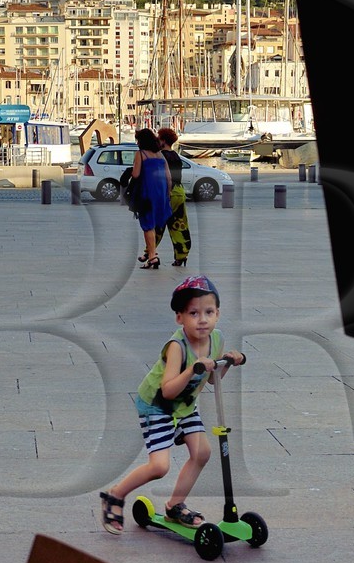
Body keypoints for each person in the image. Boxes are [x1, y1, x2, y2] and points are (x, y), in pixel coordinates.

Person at [98, 274, 247, 534]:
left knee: (202, 453)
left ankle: (175, 506)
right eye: (193, 313)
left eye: (208, 312)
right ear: (180, 317)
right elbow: (167, 390)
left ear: (218, 314)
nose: (202, 319)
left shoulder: (216, 339)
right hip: (157, 405)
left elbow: (212, 380)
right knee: (159, 467)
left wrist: (226, 362)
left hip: (185, 405)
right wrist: (191, 370)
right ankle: (115, 494)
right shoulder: (177, 346)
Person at [130, 127, 173, 269]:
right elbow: (168, 177)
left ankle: (153, 256)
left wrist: (131, 169)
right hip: (161, 193)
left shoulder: (140, 154)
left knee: (147, 225)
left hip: (147, 193)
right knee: (153, 225)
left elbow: (136, 175)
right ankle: (150, 254)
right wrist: (168, 194)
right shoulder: (160, 155)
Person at [156, 126, 193, 267]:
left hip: (167, 192)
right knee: (179, 225)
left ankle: (150, 253)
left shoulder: (161, 156)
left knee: (157, 225)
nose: (157, 141)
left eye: (159, 138)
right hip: (179, 192)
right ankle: (182, 255)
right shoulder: (176, 156)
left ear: (163, 141)